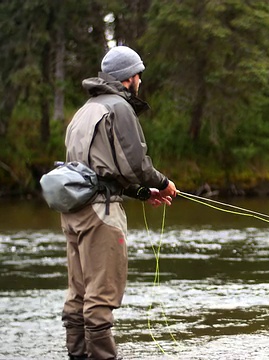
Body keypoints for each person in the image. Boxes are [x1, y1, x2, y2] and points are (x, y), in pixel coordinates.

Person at [61, 45, 178, 360]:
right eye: (139, 74)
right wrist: (163, 184)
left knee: (78, 295)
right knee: (101, 297)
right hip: (102, 213)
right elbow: (135, 165)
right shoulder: (119, 107)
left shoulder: (85, 110)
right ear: (131, 77)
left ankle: (77, 355)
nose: (140, 79)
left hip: (74, 210)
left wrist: (142, 193)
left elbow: (99, 170)